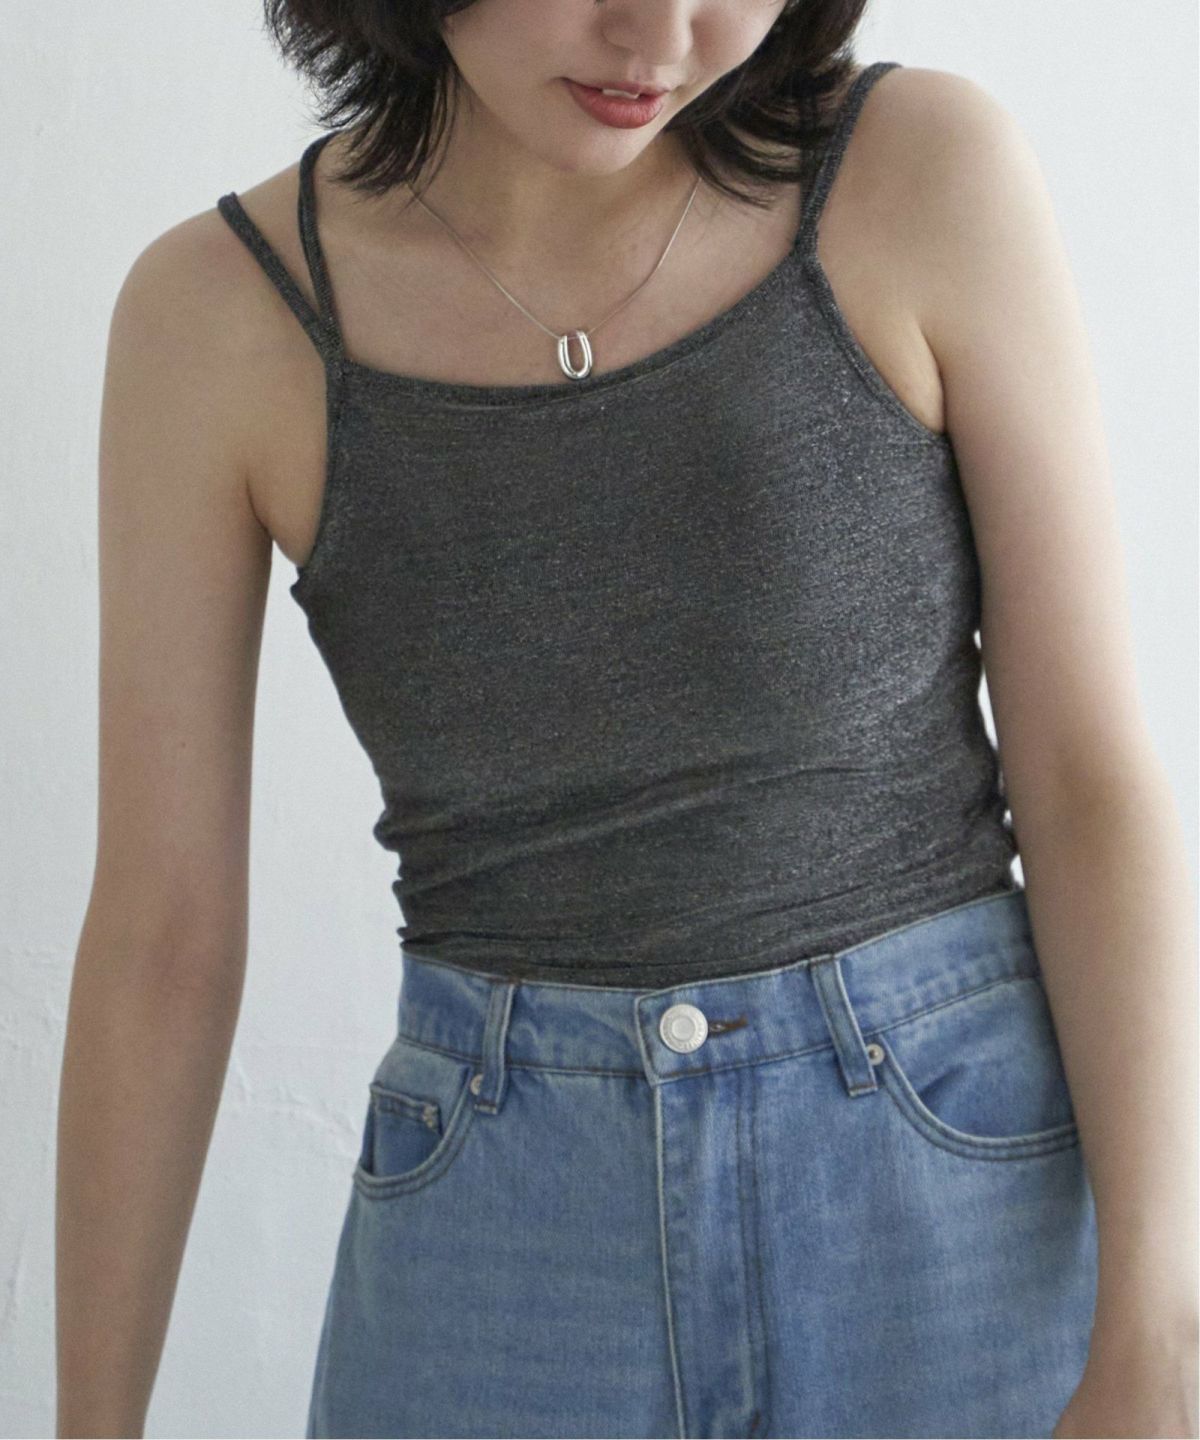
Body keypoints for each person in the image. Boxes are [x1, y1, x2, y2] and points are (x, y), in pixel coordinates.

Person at [57, 1, 1199, 1437]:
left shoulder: (918, 172)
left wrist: (1160, 1331)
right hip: (499, 1252)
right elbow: (162, 941)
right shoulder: (223, 316)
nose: (658, 34)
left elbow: (1087, 782)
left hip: (957, 1207)